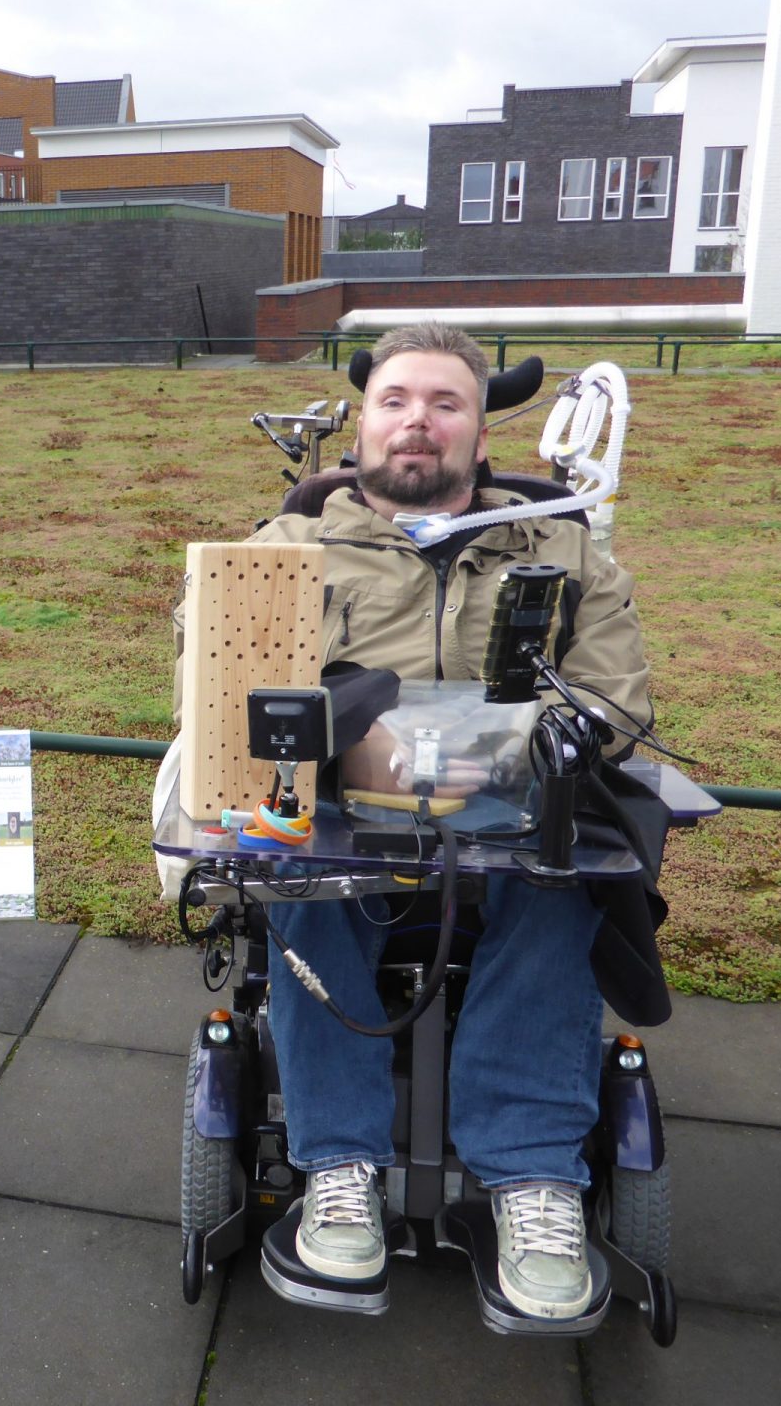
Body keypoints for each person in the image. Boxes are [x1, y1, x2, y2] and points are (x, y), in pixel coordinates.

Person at [235, 323, 655, 1319]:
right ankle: (338, 1168)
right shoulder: (288, 546)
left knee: (563, 883)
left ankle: (529, 1174)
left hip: (510, 816)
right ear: (364, 424)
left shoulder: (563, 548)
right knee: (295, 874)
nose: (417, 422)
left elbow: (617, 699)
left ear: (479, 427)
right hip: (341, 813)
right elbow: (222, 687)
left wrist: (528, 749)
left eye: (444, 403)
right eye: (396, 401)